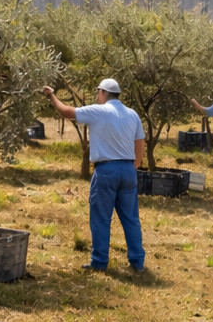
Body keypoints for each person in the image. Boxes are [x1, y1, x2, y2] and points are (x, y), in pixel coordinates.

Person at [43, 78, 146, 272]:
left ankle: (99, 262)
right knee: (131, 218)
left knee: (101, 218)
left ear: (103, 93)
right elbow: (139, 142)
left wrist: (52, 96)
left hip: (106, 170)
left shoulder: (99, 111)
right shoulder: (133, 115)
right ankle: (137, 262)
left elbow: (66, 112)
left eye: (98, 92)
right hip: (128, 170)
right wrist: (134, 167)